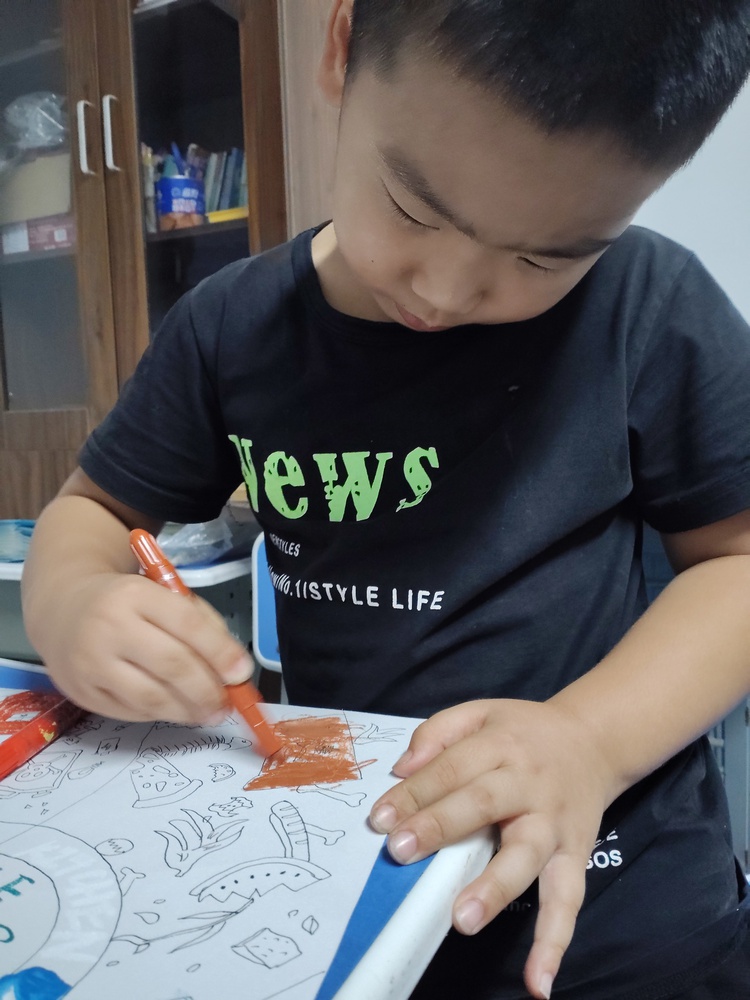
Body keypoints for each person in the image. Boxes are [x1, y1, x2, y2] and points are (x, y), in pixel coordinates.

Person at [21, 1, 750, 997]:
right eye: (412, 208)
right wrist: (71, 602)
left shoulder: (650, 307)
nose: (444, 291)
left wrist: (591, 740)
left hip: (615, 918)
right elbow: (93, 514)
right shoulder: (231, 328)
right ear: (343, 48)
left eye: (542, 257)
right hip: (354, 894)